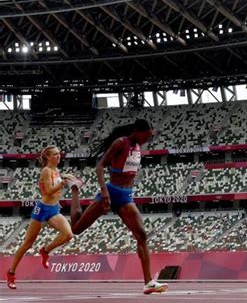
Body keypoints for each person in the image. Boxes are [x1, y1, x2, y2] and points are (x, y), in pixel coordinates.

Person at [70, 118, 168, 294]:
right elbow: (99, 166)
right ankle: (75, 188)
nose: (148, 140)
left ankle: (148, 282)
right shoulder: (120, 143)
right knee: (76, 229)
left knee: (142, 235)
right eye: (146, 136)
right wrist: (104, 192)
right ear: (137, 131)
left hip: (126, 197)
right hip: (111, 192)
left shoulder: (138, 147)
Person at [6, 146, 82, 289]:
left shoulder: (57, 171)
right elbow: (48, 191)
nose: (58, 156)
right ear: (48, 157)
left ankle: (45, 250)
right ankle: (11, 273)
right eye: (55, 154)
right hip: (42, 210)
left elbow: (57, 188)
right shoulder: (46, 171)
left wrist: (68, 179)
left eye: (59, 154)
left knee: (68, 234)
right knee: (27, 244)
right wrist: (63, 182)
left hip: (54, 209)